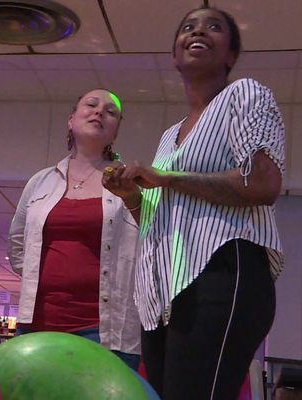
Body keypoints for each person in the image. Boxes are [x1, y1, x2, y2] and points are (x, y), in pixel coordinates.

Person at [119, 6, 286, 399]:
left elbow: (263, 183)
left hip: (225, 269)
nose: (199, 31)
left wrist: (168, 179)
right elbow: (164, 216)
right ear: (175, 55)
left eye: (215, 27)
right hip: (165, 294)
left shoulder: (244, 94)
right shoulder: (169, 135)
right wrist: (132, 199)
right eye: (188, 26)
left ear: (230, 56)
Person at [7, 88, 142, 370]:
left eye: (110, 111)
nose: (99, 112)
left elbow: (150, 246)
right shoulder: (40, 182)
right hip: (37, 327)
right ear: (71, 120)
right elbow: (18, 244)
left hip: (104, 332)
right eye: (91, 105)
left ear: (115, 132)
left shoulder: (131, 184)